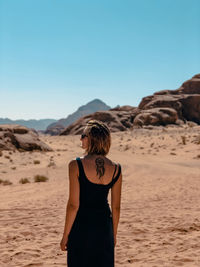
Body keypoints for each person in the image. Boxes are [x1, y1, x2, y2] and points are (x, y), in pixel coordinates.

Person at [60, 119, 122, 267]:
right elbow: (116, 207)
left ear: (92, 138)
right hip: (104, 227)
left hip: (81, 226)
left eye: (83, 135)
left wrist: (65, 236)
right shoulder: (116, 169)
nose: (80, 138)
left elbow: (73, 205)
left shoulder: (76, 165)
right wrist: (113, 234)